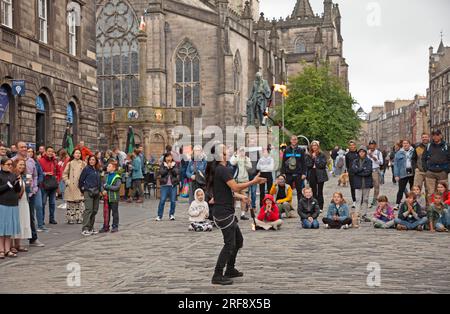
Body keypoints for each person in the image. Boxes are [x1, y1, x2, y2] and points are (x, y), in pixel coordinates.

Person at [206, 144, 266, 285]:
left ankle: (230, 269)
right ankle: (217, 274)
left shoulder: (220, 170)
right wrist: (254, 182)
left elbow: (227, 191)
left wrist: (241, 197)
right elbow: (235, 186)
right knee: (229, 244)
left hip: (225, 212)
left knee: (238, 241)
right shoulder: (222, 170)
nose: (227, 149)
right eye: (224, 148)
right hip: (223, 213)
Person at [13, 142, 44, 246]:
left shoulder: (31, 161)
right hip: (17, 192)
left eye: (25, 147)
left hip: (30, 191)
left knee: (30, 215)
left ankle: (33, 238)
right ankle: (14, 242)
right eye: (22, 147)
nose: (24, 149)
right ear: (17, 149)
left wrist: (34, 187)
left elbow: (35, 175)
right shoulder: (13, 161)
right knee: (17, 215)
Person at [0, 158, 21, 258]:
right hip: (2, 203)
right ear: (2, 165)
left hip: (13, 203)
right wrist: (8, 184)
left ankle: (8, 250)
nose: (10, 166)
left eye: (11, 165)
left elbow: (17, 190)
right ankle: (1, 250)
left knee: (8, 229)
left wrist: (17, 183)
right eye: (8, 164)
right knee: (1, 228)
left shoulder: (13, 175)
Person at [11, 159, 32, 253]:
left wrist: (29, 184)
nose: (22, 166)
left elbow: (27, 190)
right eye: (20, 164)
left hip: (24, 201)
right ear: (15, 165)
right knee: (15, 222)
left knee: (22, 221)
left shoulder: (25, 176)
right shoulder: (12, 176)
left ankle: (18, 244)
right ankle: (12, 245)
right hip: (15, 202)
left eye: (23, 165)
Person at [78, 155, 102, 236]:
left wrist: (100, 191)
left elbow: (99, 181)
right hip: (88, 191)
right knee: (88, 209)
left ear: (96, 161)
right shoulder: (86, 169)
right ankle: (85, 228)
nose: (92, 161)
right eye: (90, 160)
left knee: (95, 210)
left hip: (96, 192)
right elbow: (81, 180)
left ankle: (91, 228)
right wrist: (82, 190)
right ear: (88, 161)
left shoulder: (97, 170)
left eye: (93, 160)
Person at [423, 129, 450, 199]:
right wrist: (426, 169)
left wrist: (447, 170)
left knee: (443, 192)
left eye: (437, 135)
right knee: (430, 193)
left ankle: (443, 208)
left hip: (442, 173)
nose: (435, 137)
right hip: (430, 173)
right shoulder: (428, 146)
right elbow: (423, 158)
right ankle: (430, 208)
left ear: (441, 136)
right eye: (433, 135)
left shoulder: (446, 146)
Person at [62, 149, 86, 224]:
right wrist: (67, 182)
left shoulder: (83, 164)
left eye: (79, 153)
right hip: (71, 185)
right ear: (73, 154)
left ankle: (80, 218)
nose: (78, 154)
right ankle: (70, 218)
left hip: (80, 185)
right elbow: (64, 174)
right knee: (71, 203)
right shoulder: (70, 163)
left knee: (80, 203)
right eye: (76, 153)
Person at [281, 135, 307, 204]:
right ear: (290, 140)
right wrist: (283, 173)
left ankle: (300, 207)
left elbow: (304, 163)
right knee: (288, 191)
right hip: (288, 174)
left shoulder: (301, 150)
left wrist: (304, 173)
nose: (294, 141)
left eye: (295, 139)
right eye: (293, 139)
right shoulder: (286, 150)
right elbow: (283, 162)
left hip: (298, 174)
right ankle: (288, 207)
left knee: (299, 191)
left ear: (297, 141)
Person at [39, 146, 61, 225]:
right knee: (43, 203)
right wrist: (45, 173)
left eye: (52, 151)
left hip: (53, 184)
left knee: (52, 203)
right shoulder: (41, 160)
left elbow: (59, 172)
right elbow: (38, 172)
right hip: (44, 184)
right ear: (45, 152)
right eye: (49, 151)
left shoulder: (55, 161)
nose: (50, 153)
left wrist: (57, 179)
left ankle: (52, 219)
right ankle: (41, 219)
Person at [351, 146, 373, 222]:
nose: (361, 153)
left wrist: (359, 172)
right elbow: (354, 170)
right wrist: (362, 169)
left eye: (363, 152)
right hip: (358, 183)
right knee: (358, 199)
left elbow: (368, 172)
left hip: (366, 183)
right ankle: (357, 215)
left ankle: (363, 215)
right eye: (360, 152)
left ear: (365, 153)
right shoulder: (355, 161)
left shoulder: (369, 161)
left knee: (365, 199)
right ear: (358, 153)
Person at [230, 147, 252, 220]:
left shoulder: (247, 158)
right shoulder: (235, 157)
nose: (242, 152)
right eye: (241, 151)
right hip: (235, 181)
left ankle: (242, 214)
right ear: (238, 151)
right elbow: (232, 162)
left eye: (243, 151)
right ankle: (232, 214)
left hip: (244, 180)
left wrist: (245, 159)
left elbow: (249, 167)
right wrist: (237, 156)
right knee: (233, 198)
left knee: (244, 197)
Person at [305, 140, 328, 211]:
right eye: (313, 145)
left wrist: (316, 159)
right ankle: (314, 207)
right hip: (312, 173)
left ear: (318, 147)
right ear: (311, 147)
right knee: (313, 191)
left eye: (315, 145)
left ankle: (320, 207)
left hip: (320, 173)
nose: (314, 147)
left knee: (320, 191)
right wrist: (312, 158)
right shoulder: (308, 155)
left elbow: (322, 165)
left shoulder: (322, 154)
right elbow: (308, 165)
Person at [156, 153, 180, 221]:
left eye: (170, 157)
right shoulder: (162, 165)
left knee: (173, 201)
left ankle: (171, 214)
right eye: (167, 157)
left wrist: (171, 167)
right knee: (162, 200)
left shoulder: (175, 165)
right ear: (165, 158)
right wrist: (167, 167)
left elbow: (176, 172)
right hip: (164, 185)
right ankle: (159, 215)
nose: (169, 158)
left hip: (173, 185)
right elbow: (162, 173)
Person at [393, 140, 416, 210]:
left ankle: (413, 203)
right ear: (402, 144)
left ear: (409, 144)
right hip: (403, 173)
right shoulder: (398, 153)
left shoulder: (414, 151)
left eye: (407, 143)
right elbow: (396, 165)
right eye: (404, 143)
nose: (405, 144)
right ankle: (397, 203)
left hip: (412, 172)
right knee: (401, 189)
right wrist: (396, 175)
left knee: (413, 189)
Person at [100, 161, 121, 233]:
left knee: (114, 213)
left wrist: (107, 186)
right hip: (106, 198)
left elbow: (117, 188)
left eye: (109, 166)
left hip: (114, 198)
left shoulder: (117, 177)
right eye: (107, 166)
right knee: (106, 213)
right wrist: (102, 191)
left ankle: (115, 226)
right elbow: (102, 185)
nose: (107, 167)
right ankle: (105, 226)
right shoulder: (106, 176)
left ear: (113, 168)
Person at [367, 140, 383, 208]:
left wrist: (374, 158)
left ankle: (374, 199)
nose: (371, 146)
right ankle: (365, 200)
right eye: (370, 145)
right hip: (368, 171)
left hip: (375, 170)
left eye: (373, 144)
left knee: (376, 186)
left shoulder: (378, 153)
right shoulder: (366, 152)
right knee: (367, 186)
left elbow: (381, 162)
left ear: (375, 145)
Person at [345, 140, 359, 208]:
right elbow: (347, 164)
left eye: (353, 145)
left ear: (355, 146)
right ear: (349, 147)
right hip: (351, 173)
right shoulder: (347, 155)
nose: (352, 146)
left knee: (358, 187)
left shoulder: (359, 153)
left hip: (359, 173)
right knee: (352, 187)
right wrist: (349, 170)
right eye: (350, 145)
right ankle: (354, 201)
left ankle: (359, 200)